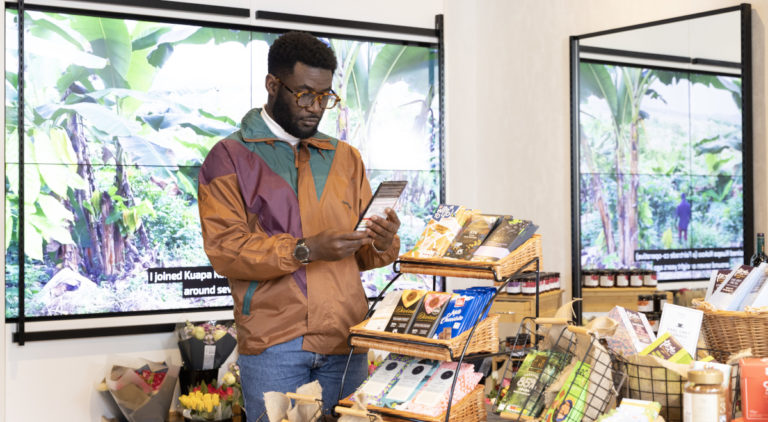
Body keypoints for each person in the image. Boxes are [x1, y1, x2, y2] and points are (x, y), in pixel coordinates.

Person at [197, 31, 401, 419]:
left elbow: (366, 255)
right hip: (276, 343)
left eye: (325, 96)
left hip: (346, 338)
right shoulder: (229, 157)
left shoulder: (345, 157)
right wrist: (304, 249)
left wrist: (382, 241)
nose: (316, 107)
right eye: (305, 94)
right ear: (273, 85)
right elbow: (226, 250)